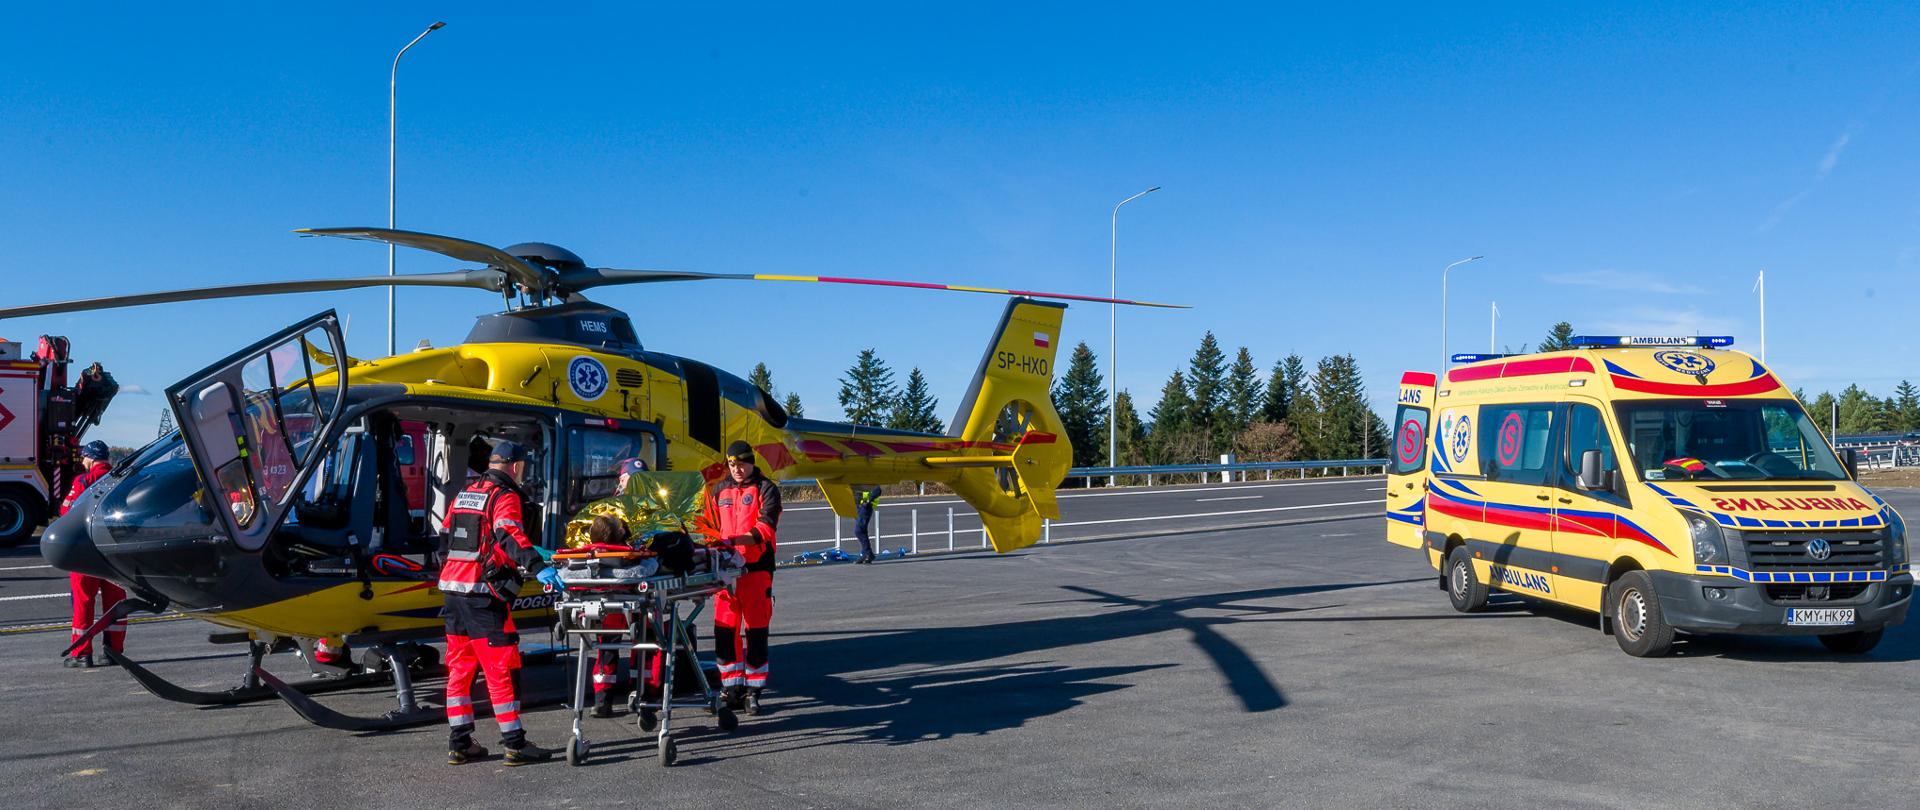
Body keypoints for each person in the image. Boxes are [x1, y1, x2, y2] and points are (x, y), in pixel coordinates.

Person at [437, 440, 562, 766]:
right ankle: (515, 744)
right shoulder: (504, 497)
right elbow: (508, 534)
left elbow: (444, 535)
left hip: (453, 591)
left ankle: (460, 743)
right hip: (482, 596)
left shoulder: (465, 493)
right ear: (516, 466)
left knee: (460, 668)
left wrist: (456, 569)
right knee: (501, 668)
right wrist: (539, 567)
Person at [700, 440, 781, 715]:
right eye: (732, 464)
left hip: (755, 569)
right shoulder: (719, 490)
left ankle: (753, 690)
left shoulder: (766, 488)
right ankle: (730, 687)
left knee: (756, 631)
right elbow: (708, 525)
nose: (737, 469)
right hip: (725, 571)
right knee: (725, 630)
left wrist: (735, 540)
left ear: (751, 461)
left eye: (742, 463)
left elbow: (766, 527)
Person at [63, 441, 123, 668]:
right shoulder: (120, 480)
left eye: (84, 457)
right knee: (115, 601)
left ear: (90, 458)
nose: (82, 461)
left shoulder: (83, 481)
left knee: (83, 602)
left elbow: (66, 511)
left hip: (85, 550)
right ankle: (114, 651)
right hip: (114, 553)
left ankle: (81, 654)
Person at [852, 485, 882, 564]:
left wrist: (868, 501)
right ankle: (865, 554)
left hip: (865, 508)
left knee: (859, 531)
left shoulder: (867, 479)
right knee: (863, 532)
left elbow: (877, 489)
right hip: (858, 507)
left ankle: (868, 554)